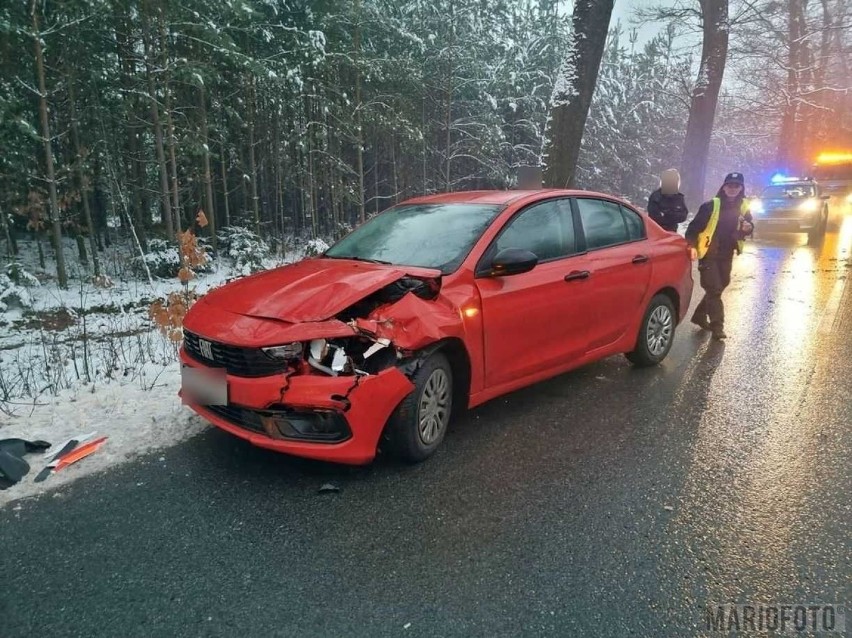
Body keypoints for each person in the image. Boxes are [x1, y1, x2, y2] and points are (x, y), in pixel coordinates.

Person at [685, 172, 754, 340]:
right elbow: (693, 229)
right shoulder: (711, 206)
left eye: (736, 186)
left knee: (722, 284)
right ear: (723, 187)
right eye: (729, 185)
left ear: (741, 188)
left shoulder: (744, 207)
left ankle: (700, 315)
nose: (732, 188)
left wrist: (748, 227)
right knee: (714, 289)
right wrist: (691, 246)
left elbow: (750, 226)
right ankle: (717, 326)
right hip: (709, 253)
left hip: (727, 253)